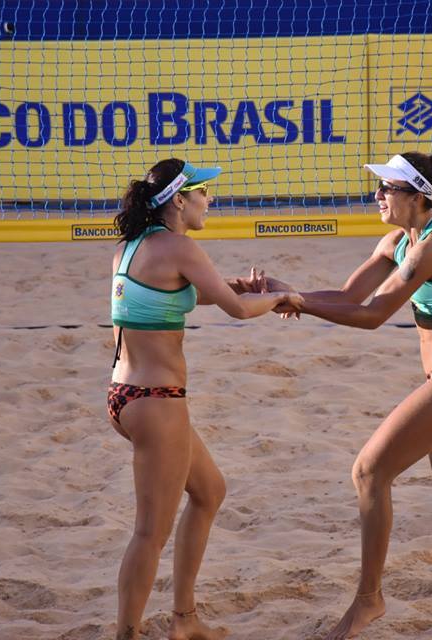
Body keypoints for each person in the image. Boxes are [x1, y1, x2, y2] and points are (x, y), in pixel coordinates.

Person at [265, 152, 432, 639]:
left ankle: (369, 599)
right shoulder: (398, 242)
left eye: (388, 188)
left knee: (368, 472)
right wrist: (286, 294)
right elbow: (348, 297)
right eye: (379, 187)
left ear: (417, 197)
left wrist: (299, 304)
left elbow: (372, 316)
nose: (377, 195)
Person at [107, 158, 302, 640]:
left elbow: (192, 291)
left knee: (210, 491)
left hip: (126, 395)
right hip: (157, 400)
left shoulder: (133, 246)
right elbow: (238, 310)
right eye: (203, 193)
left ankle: (186, 621)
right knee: (150, 533)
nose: (209, 200)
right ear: (179, 200)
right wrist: (282, 298)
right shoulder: (180, 247)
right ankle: (126, 634)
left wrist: (243, 286)